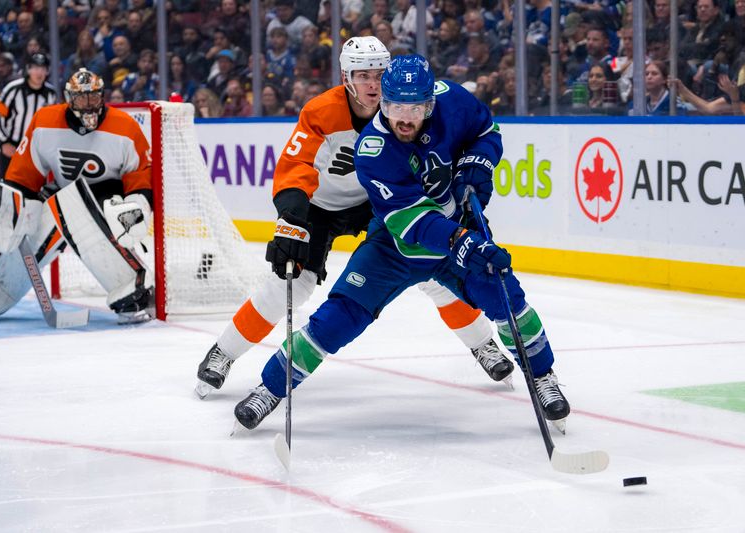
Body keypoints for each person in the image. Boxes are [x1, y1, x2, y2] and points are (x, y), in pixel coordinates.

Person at [230, 54, 569, 433]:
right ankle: (270, 389)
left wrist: (479, 161)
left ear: (431, 102)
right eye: (393, 107)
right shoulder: (373, 150)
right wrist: (462, 241)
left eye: (416, 108)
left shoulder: (454, 101)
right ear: (383, 103)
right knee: (338, 318)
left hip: (458, 228)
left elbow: (487, 132)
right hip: (395, 247)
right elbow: (413, 224)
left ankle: (542, 376)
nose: (404, 118)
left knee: (506, 297)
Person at [196, 40, 512, 399]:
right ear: (346, 77)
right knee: (292, 284)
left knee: (431, 269)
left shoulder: (406, 112)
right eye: (363, 76)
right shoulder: (321, 111)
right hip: (321, 208)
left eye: (379, 74)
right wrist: (291, 220)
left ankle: (483, 344)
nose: (373, 85)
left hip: (378, 204)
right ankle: (224, 351)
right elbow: (296, 166)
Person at [0, 68, 154, 322]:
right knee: (38, 214)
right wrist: (13, 207)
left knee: (70, 202)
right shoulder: (45, 122)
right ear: (69, 98)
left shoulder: (125, 127)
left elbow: (140, 175)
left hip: (108, 202)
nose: (88, 104)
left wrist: (137, 206)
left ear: (102, 97)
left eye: (93, 97)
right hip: (64, 196)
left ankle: (132, 291)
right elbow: (24, 176)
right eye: (81, 98)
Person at [0, 53, 55, 181]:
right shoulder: (12, 89)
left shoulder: (51, 94)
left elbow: (53, 124)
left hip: (35, 152)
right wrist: (4, 142)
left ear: (47, 71)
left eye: (43, 69)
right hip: (11, 147)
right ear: (28, 69)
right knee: (7, 188)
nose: (39, 73)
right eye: (35, 68)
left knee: (34, 191)